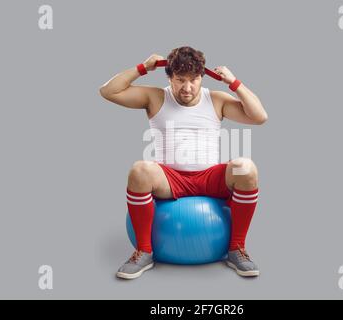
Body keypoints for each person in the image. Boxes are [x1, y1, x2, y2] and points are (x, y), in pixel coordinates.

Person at [99, 46, 268, 279]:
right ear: (170, 77)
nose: (187, 87)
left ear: (202, 77)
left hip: (210, 178)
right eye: (180, 80)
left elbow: (260, 117)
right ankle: (144, 251)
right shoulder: (156, 96)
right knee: (139, 170)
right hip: (170, 179)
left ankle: (236, 248)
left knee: (246, 168)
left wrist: (233, 82)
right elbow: (108, 91)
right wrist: (143, 68)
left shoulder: (216, 99)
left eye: (193, 80)